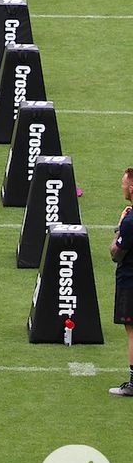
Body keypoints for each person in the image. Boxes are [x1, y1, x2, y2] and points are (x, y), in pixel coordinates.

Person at [109, 167, 133, 396]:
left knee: (132, 331)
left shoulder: (130, 221)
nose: (122, 187)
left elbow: (116, 253)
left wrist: (119, 227)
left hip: (130, 281)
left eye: (124, 183)